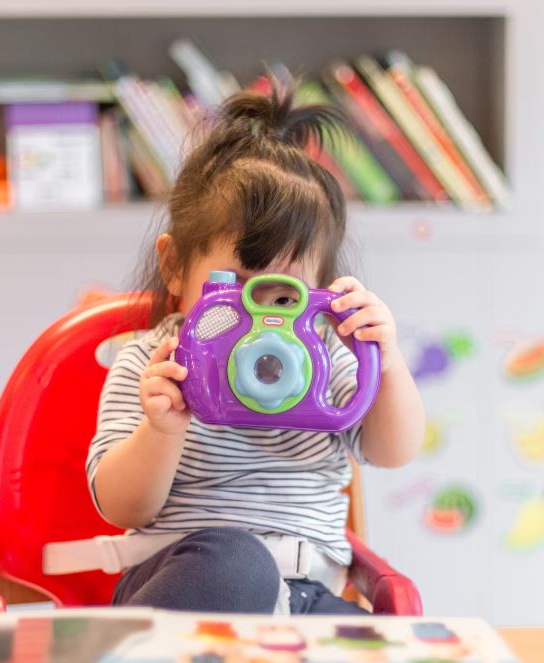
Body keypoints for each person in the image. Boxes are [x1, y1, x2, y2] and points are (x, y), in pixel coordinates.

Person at [87, 80, 425, 614]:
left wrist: (385, 361)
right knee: (237, 564)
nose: (258, 317)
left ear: (318, 290)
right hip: (191, 582)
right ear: (176, 266)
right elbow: (119, 504)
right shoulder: (153, 364)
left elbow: (394, 450)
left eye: (281, 294)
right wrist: (161, 429)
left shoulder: (325, 359)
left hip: (309, 594)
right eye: (236, 286)